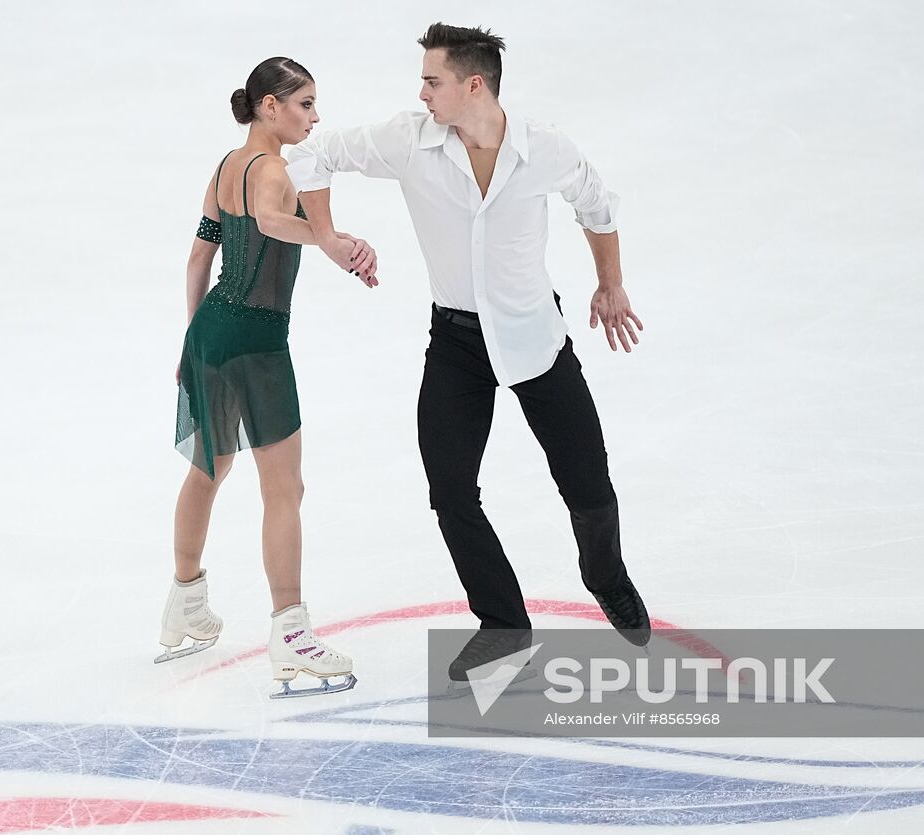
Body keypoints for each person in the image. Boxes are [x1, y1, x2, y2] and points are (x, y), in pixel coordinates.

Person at [285, 23, 653, 687]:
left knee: (587, 484)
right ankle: (503, 622)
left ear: (473, 85)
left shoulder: (542, 148)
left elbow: (596, 203)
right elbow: (311, 154)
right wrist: (328, 236)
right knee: (450, 490)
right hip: (455, 343)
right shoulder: (409, 139)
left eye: (433, 81)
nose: (421, 92)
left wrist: (611, 282)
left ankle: (605, 573)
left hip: (535, 335)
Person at [157, 57, 378, 699]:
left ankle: (186, 602)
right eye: (304, 104)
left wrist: (192, 338)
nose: (314, 116)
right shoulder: (275, 171)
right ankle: (291, 633)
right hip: (256, 340)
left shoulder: (225, 165)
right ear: (268, 106)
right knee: (285, 490)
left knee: (209, 469)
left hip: (212, 332)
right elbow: (270, 220)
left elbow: (201, 253)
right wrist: (330, 239)